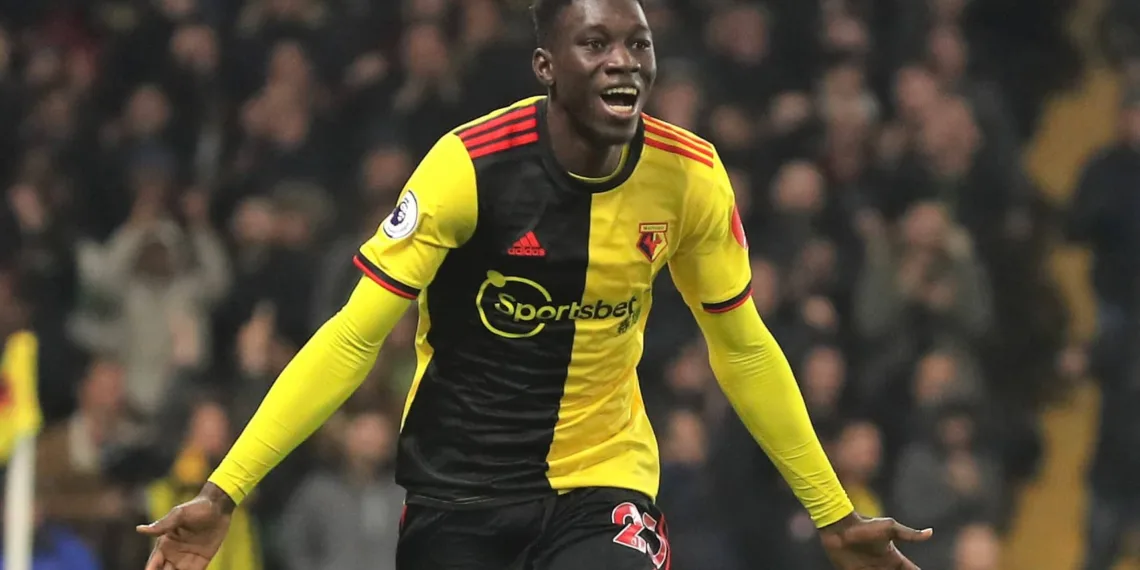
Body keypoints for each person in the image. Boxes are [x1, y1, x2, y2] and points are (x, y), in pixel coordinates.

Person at [139, 0, 933, 568]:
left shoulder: (690, 178)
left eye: (639, 43)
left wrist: (832, 512)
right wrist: (225, 489)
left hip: (604, 478)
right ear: (547, 66)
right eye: (596, 43)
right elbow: (353, 338)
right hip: (459, 490)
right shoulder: (468, 168)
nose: (624, 60)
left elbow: (744, 349)